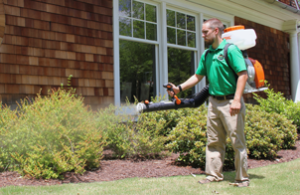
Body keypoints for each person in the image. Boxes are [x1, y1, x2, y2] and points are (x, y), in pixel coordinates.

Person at [167, 18, 249, 187]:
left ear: (216, 31)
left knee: (237, 142)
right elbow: (198, 76)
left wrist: (236, 100)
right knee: (213, 141)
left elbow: (243, 75)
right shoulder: (207, 54)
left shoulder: (230, 50)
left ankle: (242, 178)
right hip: (213, 103)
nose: (202, 35)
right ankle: (213, 175)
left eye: (205, 32)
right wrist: (179, 88)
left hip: (230, 102)